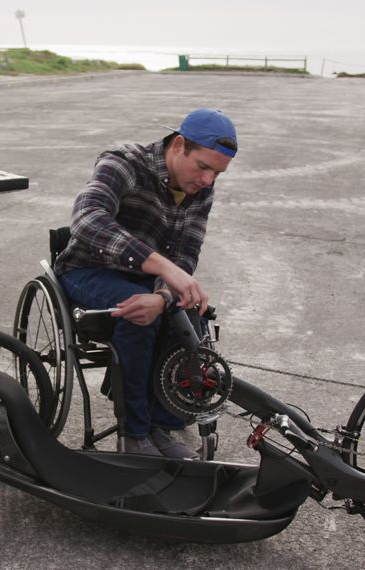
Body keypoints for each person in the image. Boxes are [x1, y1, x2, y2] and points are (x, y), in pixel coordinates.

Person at [53, 108, 237, 458]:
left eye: (218, 173)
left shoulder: (200, 191)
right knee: (138, 314)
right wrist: (163, 270)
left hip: (147, 280)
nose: (208, 180)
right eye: (203, 166)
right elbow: (87, 218)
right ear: (178, 145)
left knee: (189, 318)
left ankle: (165, 427)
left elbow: (186, 255)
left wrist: (166, 296)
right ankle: (134, 435)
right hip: (89, 270)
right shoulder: (124, 162)